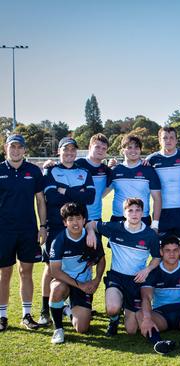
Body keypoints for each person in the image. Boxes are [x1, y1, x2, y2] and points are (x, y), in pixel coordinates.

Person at [86, 198, 161, 336]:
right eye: (130, 210)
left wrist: (147, 269)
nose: (134, 214)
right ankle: (114, 320)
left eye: (138, 210)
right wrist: (91, 232)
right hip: (116, 277)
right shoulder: (115, 228)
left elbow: (157, 257)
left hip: (136, 281)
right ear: (124, 213)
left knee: (131, 330)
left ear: (143, 213)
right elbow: (90, 224)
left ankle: (126, 309)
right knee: (112, 308)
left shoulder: (150, 234)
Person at [41, 137, 95, 326]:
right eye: (66, 150)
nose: (70, 153)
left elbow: (89, 197)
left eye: (73, 150)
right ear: (59, 152)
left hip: (79, 226)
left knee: (83, 260)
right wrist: (75, 192)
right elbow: (51, 196)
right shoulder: (51, 171)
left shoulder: (84, 172)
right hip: (56, 225)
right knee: (50, 266)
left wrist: (65, 191)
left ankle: (79, 301)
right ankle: (45, 310)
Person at [0, 134, 47, 331]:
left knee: (26, 272)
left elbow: (40, 201)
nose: (16, 150)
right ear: (6, 148)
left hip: (28, 230)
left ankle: (26, 315)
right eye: (13, 146)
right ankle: (2, 316)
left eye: (20, 147)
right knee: (4, 273)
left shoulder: (33, 171)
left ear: (25, 150)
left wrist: (43, 226)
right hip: (3, 230)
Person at [48, 202, 106, 344]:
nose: (75, 223)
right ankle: (58, 329)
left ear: (84, 220)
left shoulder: (91, 238)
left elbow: (102, 260)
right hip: (65, 281)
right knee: (57, 288)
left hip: (85, 284)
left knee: (82, 328)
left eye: (78, 218)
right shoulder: (59, 241)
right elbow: (54, 270)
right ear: (64, 222)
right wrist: (79, 285)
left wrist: (96, 280)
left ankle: (66, 310)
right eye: (71, 219)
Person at [147, 126, 180, 252]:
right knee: (161, 252)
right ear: (159, 140)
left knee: (178, 252)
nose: (168, 140)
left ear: (176, 140)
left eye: (171, 138)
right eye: (165, 137)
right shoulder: (151, 160)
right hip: (161, 212)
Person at [107, 134, 161, 226]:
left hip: (142, 219)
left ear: (140, 150)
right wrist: (106, 170)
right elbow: (100, 194)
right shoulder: (115, 170)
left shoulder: (148, 170)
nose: (133, 150)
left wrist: (155, 224)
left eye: (136, 147)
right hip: (118, 219)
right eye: (129, 147)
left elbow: (157, 199)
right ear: (123, 150)